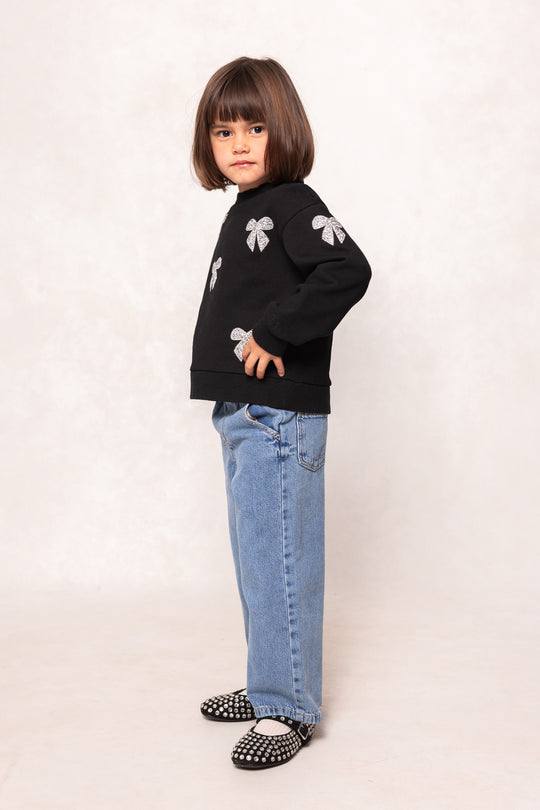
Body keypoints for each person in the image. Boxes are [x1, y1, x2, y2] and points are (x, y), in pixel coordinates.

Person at [190, 56, 371, 770]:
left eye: (256, 127)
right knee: (258, 559)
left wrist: (275, 333)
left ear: (283, 130)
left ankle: (289, 707)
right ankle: (272, 681)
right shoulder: (247, 209)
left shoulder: (294, 204)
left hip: (277, 417)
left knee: (282, 558)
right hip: (242, 413)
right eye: (223, 129)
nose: (238, 143)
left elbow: (348, 269)